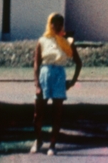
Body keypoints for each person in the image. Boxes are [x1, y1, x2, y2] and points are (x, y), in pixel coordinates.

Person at [31, 12, 82, 156]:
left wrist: (72, 82)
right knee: (37, 113)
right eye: (54, 23)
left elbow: (78, 62)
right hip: (44, 75)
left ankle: (52, 145)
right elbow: (36, 64)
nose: (57, 26)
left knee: (57, 113)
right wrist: (37, 84)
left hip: (59, 75)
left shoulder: (67, 42)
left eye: (60, 23)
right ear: (49, 24)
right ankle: (38, 140)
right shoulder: (42, 41)